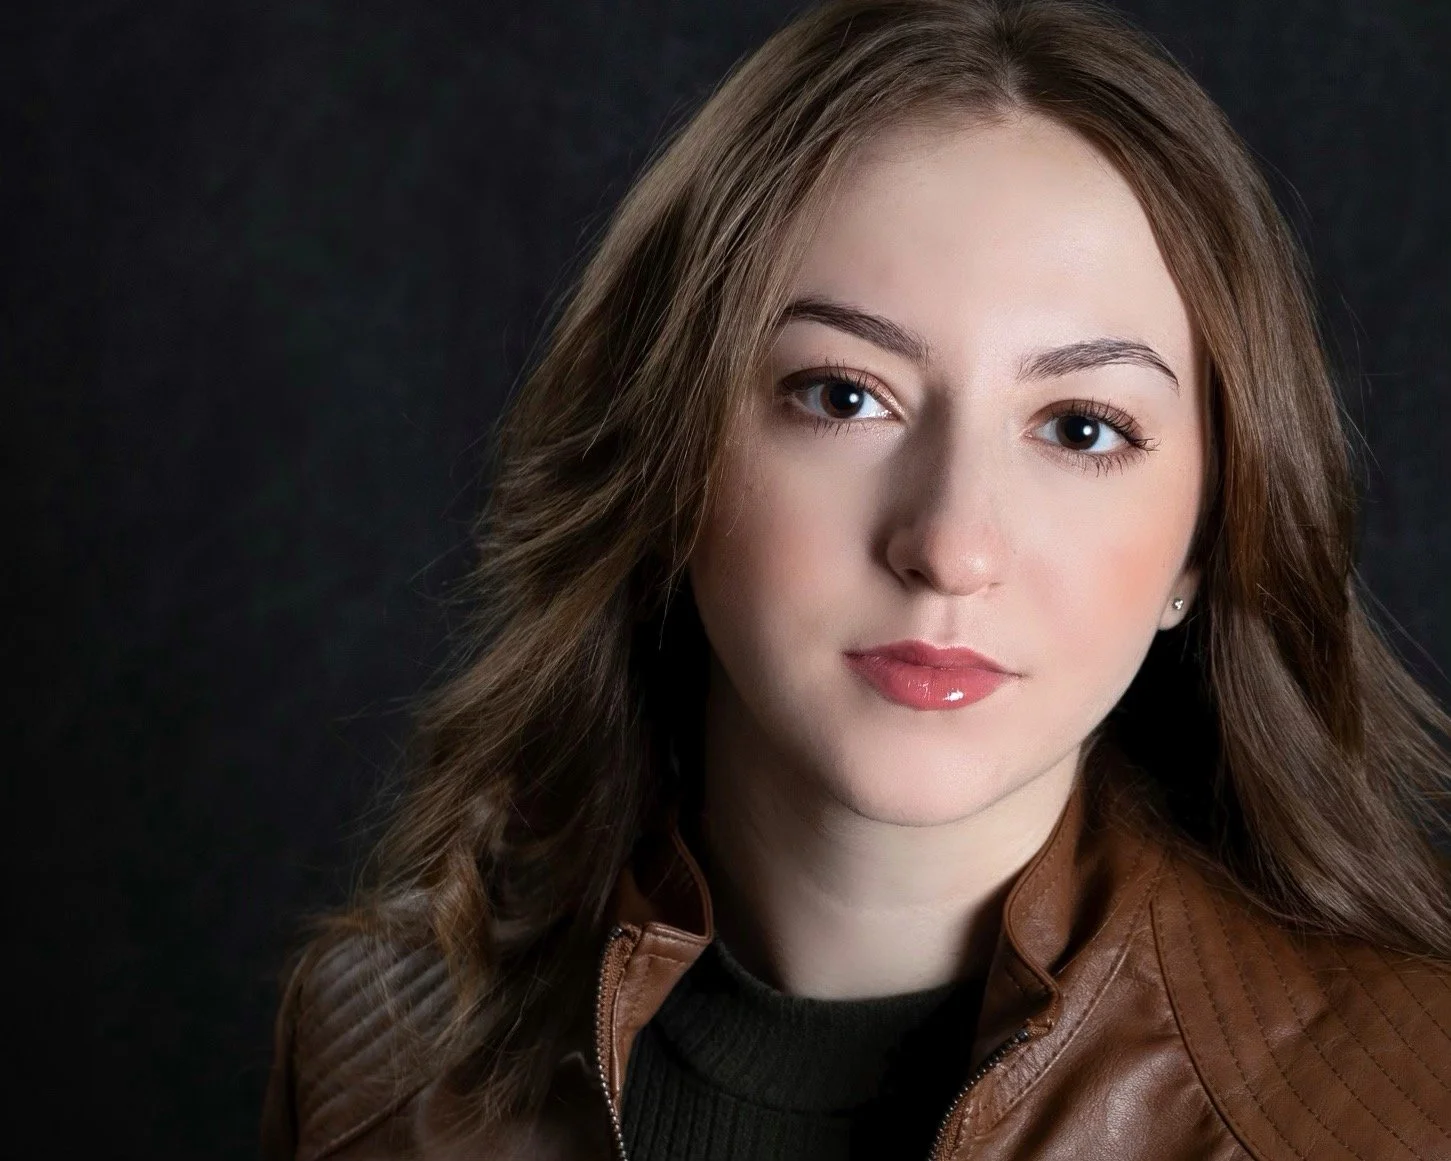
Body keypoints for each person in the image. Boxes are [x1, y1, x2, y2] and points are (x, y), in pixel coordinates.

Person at [259, 0, 1451, 1158]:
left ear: (1203, 539)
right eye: (842, 396)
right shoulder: (376, 1060)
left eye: (1080, 428)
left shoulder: (1403, 1110)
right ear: (668, 458)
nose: (948, 545)